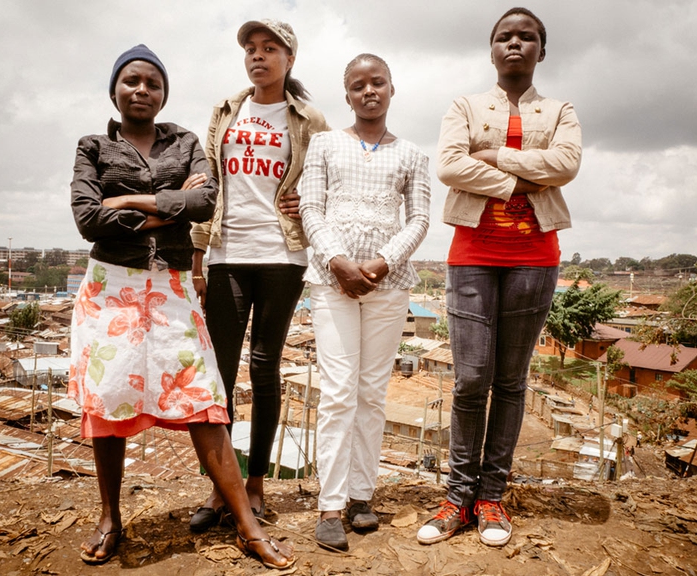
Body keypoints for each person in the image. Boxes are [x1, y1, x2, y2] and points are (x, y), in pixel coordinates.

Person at [69, 44, 294, 570]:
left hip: (171, 287)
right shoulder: (93, 146)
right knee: (109, 404)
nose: (142, 90)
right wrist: (165, 210)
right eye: (132, 81)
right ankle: (109, 518)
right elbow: (85, 218)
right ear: (115, 90)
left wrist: (124, 202)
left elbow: (205, 202)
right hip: (112, 287)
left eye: (152, 82)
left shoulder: (187, 141)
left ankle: (246, 524)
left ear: (164, 92)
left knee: (202, 400)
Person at [416, 7, 582, 548]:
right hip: (472, 253)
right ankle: (457, 497)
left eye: (527, 37)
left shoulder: (560, 110)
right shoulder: (466, 106)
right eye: (505, 36)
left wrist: (494, 155)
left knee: (510, 382)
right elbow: (448, 165)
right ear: (491, 49)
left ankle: (492, 496)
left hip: (535, 257)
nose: (515, 43)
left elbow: (566, 164)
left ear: (541, 49)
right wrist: (519, 181)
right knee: (469, 379)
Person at [189, 20, 329, 531]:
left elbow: (328, 178)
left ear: (289, 59)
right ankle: (221, 487)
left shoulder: (308, 117)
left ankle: (255, 484)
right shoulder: (226, 111)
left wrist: (307, 201)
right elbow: (206, 185)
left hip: (282, 255)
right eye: (251, 48)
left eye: (270, 49)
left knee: (266, 368)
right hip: (229, 251)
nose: (258, 56)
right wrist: (198, 258)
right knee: (220, 374)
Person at [300, 53, 430, 551]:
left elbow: (418, 219)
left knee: (372, 392)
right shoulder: (325, 144)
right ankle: (330, 505)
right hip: (331, 281)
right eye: (359, 85)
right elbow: (312, 207)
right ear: (347, 93)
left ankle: (360, 496)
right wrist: (338, 261)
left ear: (392, 89)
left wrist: (379, 264)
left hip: (388, 286)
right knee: (337, 392)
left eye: (378, 83)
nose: (369, 91)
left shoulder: (412, 155)